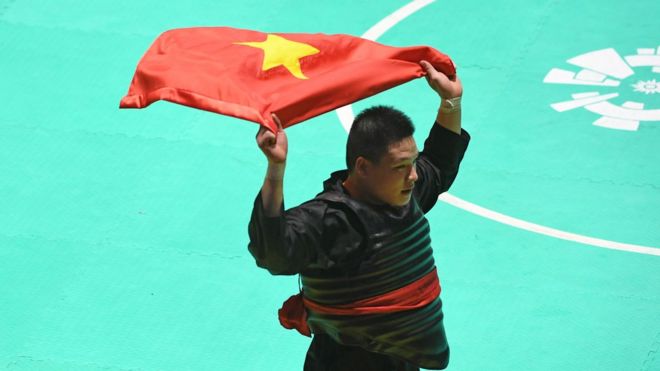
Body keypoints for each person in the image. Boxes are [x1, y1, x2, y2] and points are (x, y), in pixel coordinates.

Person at [248, 60, 470, 370]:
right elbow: (273, 253)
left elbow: (439, 166)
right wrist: (276, 169)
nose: (413, 176)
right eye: (400, 167)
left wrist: (450, 102)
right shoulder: (328, 218)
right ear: (364, 167)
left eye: (412, 163)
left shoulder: (403, 195)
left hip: (400, 362)